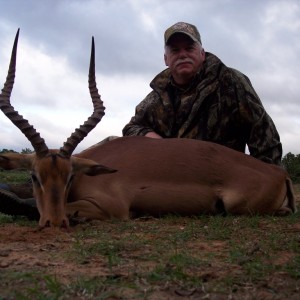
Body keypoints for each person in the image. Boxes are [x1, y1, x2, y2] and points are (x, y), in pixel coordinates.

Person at [122, 21, 282, 165]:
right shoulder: (158, 96)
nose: (182, 54)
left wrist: (267, 179)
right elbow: (131, 128)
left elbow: (264, 138)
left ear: (202, 53)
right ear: (166, 59)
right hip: (177, 175)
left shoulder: (231, 81)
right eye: (175, 50)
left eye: (189, 48)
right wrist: (160, 144)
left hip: (224, 178)